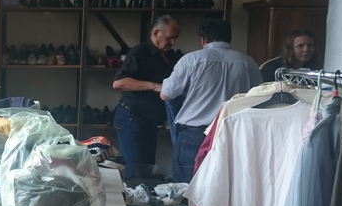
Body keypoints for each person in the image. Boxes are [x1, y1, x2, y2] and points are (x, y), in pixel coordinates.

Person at [160, 18, 263, 182]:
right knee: (226, 187)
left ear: (203, 40)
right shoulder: (248, 63)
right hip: (234, 134)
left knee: (186, 188)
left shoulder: (191, 60)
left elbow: (166, 94)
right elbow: (259, 97)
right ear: (229, 37)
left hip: (195, 135)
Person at [112, 15, 181, 181]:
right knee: (136, 172)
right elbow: (119, 83)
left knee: (147, 168)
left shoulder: (169, 55)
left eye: (175, 38)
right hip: (132, 119)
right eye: (169, 38)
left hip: (149, 121)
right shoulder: (139, 53)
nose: (173, 42)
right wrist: (154, 86)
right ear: (156, 33)